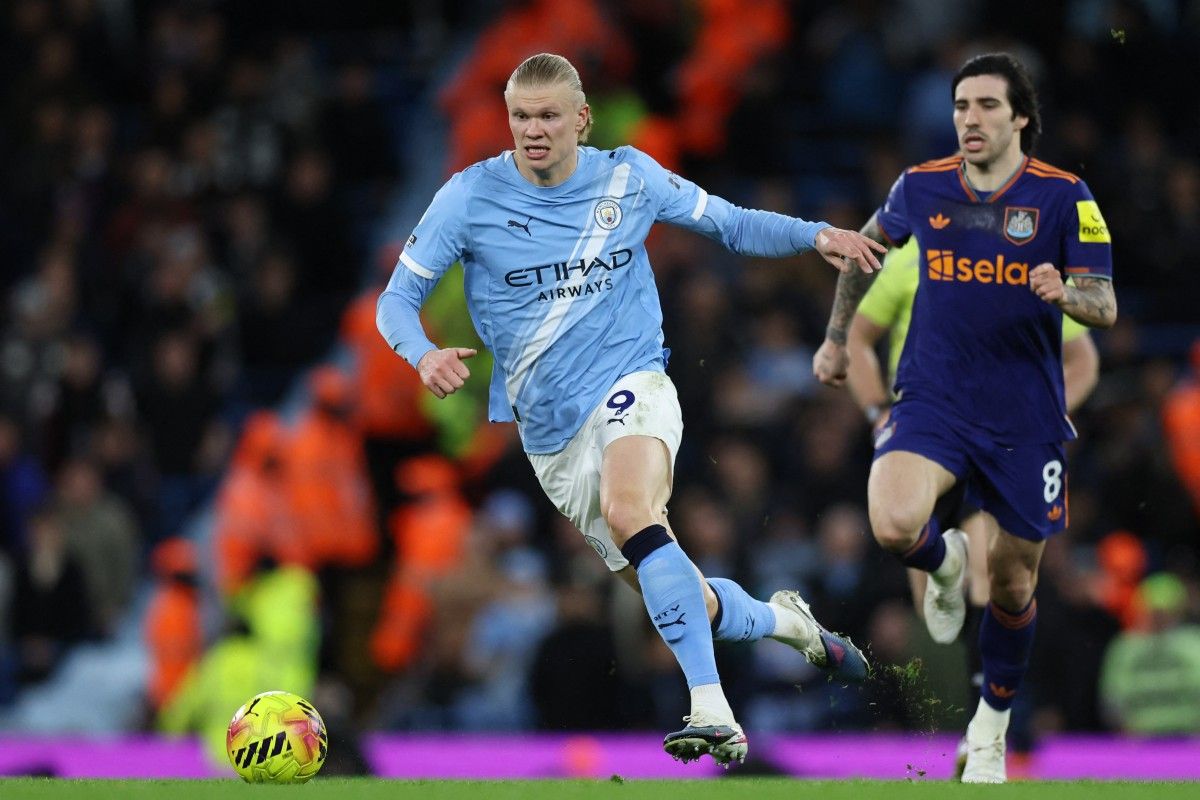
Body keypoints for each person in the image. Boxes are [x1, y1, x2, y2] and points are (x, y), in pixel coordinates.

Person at [377, 52, 882, 766]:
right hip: (551, 439)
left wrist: (816, 235)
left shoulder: (628, 175)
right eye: (521, 116)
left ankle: (711, 710)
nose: (534, 130)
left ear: (581, 118)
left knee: (632, 511)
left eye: (549, 115)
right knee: (681, 595)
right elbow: (396, 299)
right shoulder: (469, 197)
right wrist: (421, 352)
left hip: (633, 385)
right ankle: (784, 621)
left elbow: (731, 224)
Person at [813, 52, 1116, 783]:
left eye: (985, 106)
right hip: (934, 401)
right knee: (891, 522)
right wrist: (833, 337)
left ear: (1020, 119)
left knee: (1013, 587)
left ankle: (991, 724)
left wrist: (1065, 292)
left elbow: (1104, 307)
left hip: (1024, 418)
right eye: (960, 106)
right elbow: (865, 253)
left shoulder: (1065, 196)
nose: (969, 119)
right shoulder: (921, 186)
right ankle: (942, 561)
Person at [846, 236, 1101, 769]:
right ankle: (986, 717)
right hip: (923, 440)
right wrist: (876, 414)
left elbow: (1081, 361)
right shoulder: (908, 263)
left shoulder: (1026, 267)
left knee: (993, 579)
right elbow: (858, 341)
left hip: (996, 442)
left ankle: (992, 728)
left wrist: (1044, 421)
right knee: (933, 605)